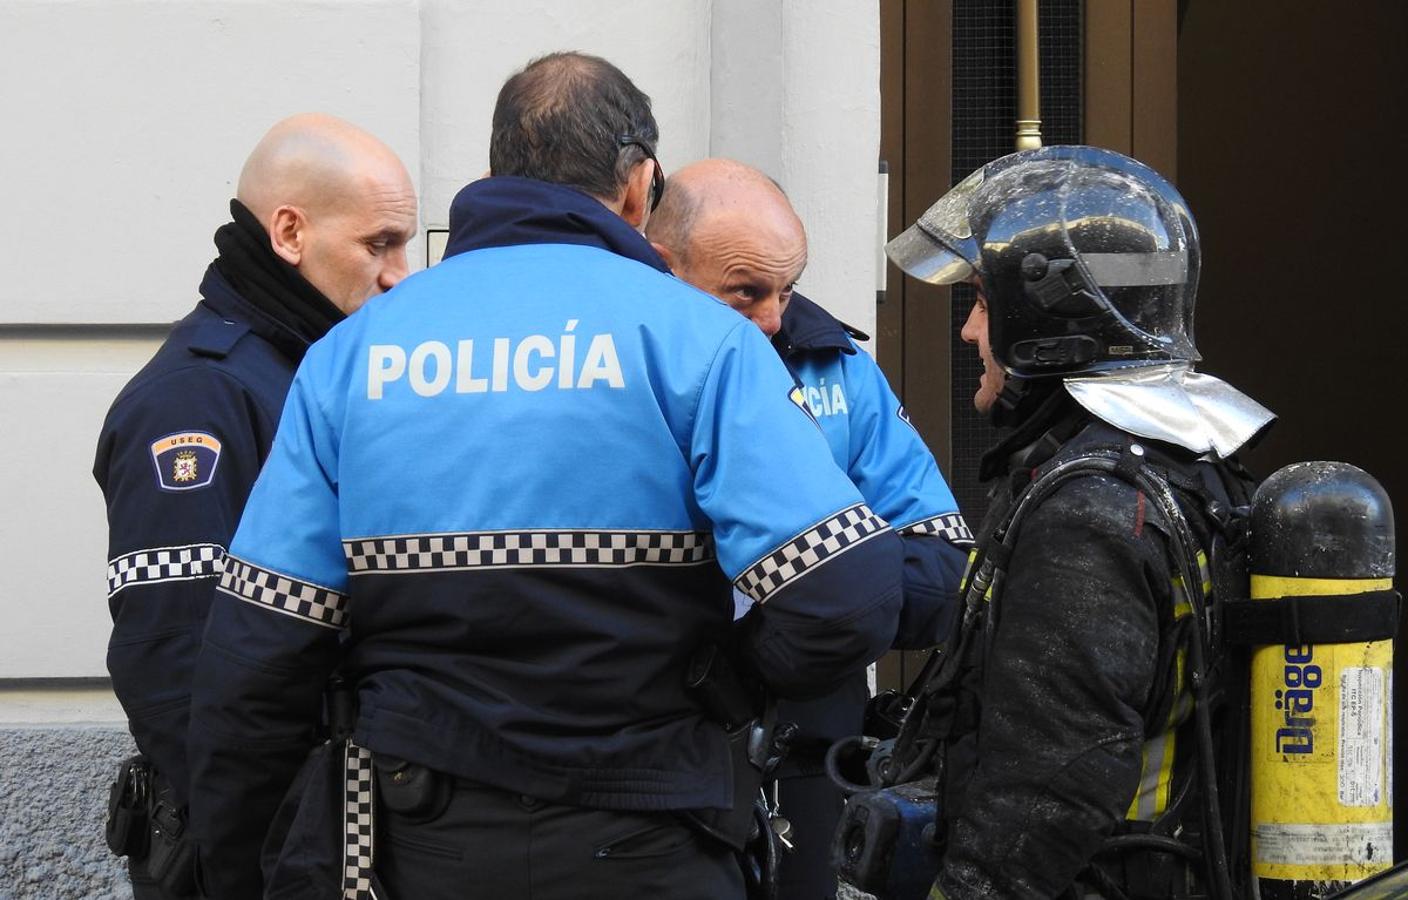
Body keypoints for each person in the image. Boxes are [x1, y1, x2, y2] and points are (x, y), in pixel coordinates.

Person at [186, 52, 904, 899]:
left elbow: (259, 651)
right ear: (640, 186)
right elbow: (845, 596)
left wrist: (233, 866)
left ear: (495, 175)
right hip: (656, 838)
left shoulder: (353, 355)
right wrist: (723, 683)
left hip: (420, 844)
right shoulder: (702, 342)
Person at [881, 145, 1275, 899]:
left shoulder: (1092, 515)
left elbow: (1049, 791)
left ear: (1045, 318)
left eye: (982, 304)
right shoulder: (1182, 467)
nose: (969, 333)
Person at [91, 114, 415, 898]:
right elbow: (181, 678)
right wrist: (274, 860)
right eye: (379, 244)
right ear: (290, 232)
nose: (400, 274)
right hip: (251, 856)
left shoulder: (303, 373)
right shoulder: (201, 398)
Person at [648, 158, 970, 899]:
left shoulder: (839, 367)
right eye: (745, 293)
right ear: (663, 269)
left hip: (813, 747)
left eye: (786, 291)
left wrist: (820, 590)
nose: (771, 318)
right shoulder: (621, 374)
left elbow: (948, 571)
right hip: (662, 757)